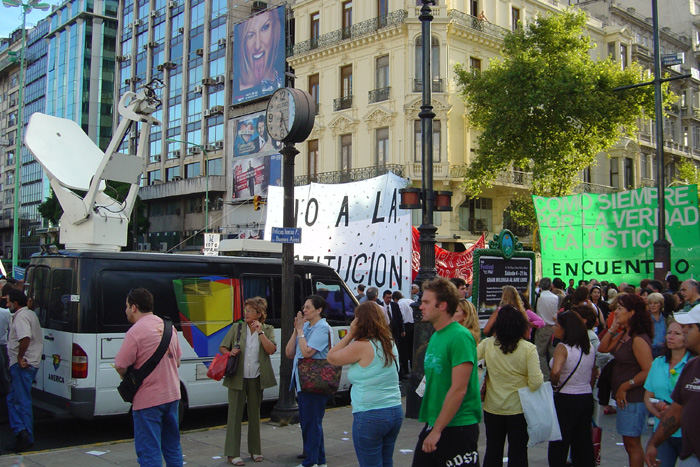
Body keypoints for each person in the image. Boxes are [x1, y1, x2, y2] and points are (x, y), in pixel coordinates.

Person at [412, 277, 481, 466]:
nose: (420, 307)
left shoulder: (460, 337)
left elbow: (459, 388)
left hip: (458, 427)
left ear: (442, 305)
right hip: (436, 423)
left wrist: (437, 431)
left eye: (426, 302)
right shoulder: (436, 336)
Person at [327, 302, 403, 467]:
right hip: (395, 410)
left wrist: (350, 333)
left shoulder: (361, 346)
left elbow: (331, 357)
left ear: (360, 321)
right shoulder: (389, 342)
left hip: (370, 414)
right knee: (386, 461)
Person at [114, 288, 183, 467]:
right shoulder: (169, 327)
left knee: (149, 450)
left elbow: (121, 364)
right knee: (172, 446)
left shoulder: (135, 332)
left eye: (127, 306)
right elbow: (177, 362)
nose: (126, 310)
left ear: (135, 307)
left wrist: (128, 378)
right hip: (172, 395)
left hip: (148, 400)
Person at [478, 305, 543, 467]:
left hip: (493, 407)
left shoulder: (487, 344)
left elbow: (471, 361)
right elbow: (536, 382)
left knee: (493, 449)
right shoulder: (528, 348)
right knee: (519, 451)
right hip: (519, 408)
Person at [219, 297, 277, 465]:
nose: (246, 313)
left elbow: (271, 349)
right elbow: (223, 347)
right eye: (245, 310)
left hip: (257, 378)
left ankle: (255, 450)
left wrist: (260, 333)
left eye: (250, 311)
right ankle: (232, 453)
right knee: (234, 415)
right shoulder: (237, 328)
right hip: (237, 377)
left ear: (259, 314)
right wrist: (229, 353)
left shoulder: (267, 329)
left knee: (254, 415)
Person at [597, 293, 653, 467]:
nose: (617, 312)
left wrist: (625, 386)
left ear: (632, 312)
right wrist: (614, 327)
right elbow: (603, 347)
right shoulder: (624, 334)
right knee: (629, 443)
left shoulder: (638, 339)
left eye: (620, 309)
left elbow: (648, 370)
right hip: (624, 397)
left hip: (633, 397)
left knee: (632, 443)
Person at [645, 304, 700, 467]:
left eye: (689, 327)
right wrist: (654, 443)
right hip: (691, 454)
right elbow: (676, 412)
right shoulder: (693, 366)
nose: (684, 331)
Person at [285, 295, 332, 467]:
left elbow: (307, 352)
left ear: (318, 310)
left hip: (315, 381)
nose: (304, 310)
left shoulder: (322, 328)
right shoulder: (305, 327)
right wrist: (296, 329)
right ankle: (319, 459)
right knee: (308, 421)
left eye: (308, 308)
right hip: (301, 380)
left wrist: (300, 332)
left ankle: (312, 460)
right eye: (304, 307)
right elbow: (289, 353)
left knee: (312, 422)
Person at [547, 310, 596, 467]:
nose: (554, 328)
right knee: (582, 442)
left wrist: (554, 383)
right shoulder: (588, 347)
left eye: (557, 325)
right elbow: (594, 372)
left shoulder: (563, 348)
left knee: (559, 442)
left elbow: (555, 371)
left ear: (565, 328)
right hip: (585, 396)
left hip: (566, 397)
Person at [5, 288, 43, 452]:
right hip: (29, 362)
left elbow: (25, 338)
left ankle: (24, 434)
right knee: (15, 399)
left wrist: (20, 357)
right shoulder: (30, 315)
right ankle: (21, 432)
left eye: (8, 301)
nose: (7, 304)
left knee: (20, 401)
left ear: (15, 303)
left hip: (22, 364)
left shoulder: (21, 317)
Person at [236, 8, 283, 93]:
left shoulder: (281, 78)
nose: (257, 46)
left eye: (265, 28)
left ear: (275, 31)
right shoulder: (241, 89)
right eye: (250, 35)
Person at [536, 278, 560, 380]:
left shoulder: (539, 297)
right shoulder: (555, 297)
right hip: (554, 327)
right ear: (550, 286)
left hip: (542, 327)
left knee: (540, 353)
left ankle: (545, 376)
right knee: (552, 353)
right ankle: (554, 374)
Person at [394, 291, 415, 377]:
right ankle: (414, 367)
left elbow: (400, 316)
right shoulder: (411, 301)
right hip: (413, 325)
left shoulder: (399, 304)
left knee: (404, 350)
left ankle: (406, 370)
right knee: (412, 348)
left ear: (395, 299)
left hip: (405, 326)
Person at [647, 293, 668, 358]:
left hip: (664, 350)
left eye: (655, 303)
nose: (652, 305)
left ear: (661, 304)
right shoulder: (645, 319)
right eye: (650, 303)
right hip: (650, 350)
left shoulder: (667, 319)